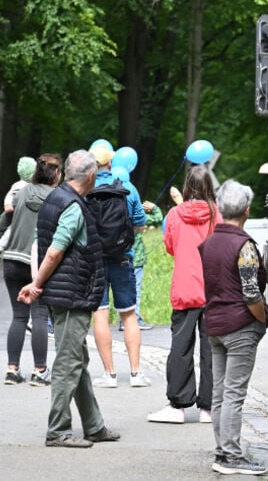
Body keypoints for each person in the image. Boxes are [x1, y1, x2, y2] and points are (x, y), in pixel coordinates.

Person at [18, 149, 120, 448]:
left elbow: (44, 244)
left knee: (77, 359)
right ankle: (58, 430)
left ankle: (94, 426)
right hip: (72, 293)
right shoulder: (73, 206)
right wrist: (36, 284)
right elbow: (55, 250)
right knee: (68, 361)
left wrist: (39, 283)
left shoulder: (54, 197)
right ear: (90, 176)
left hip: (63, 292)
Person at [199, 179, 268, 475]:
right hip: (240, 326)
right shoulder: (245, 246)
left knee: (219, 394)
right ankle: (230, 455)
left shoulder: (209, 243)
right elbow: (251, 292)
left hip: (213, 325)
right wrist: (263, 317)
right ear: (246, 211)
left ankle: (221, 450)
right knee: (234, 394)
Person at [148, 165, 220, 424]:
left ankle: (178, 404)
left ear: (188, 186)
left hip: (185, 287)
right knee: (211, 348)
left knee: (180, 346)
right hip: (212, 288)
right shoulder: (216, 215)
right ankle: (209, 408)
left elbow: (170, 246)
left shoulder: (176, 214)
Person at [89, 144, 149, 388]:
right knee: (129, 315)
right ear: (112, 163)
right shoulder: (127, 187)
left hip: (95, 260)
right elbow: (140, 223)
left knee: (100, 314)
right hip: (123, 257)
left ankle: (109, 375)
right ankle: (135, 374)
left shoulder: (85, 188)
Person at [3, 154, 61, 385]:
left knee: (18, 316)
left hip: (11, 259)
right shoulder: (57, 198)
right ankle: (39, 371)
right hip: (37, 264)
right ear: (56, 174)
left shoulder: (23, 192)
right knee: (39, 315)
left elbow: (7, 218)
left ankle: (12, 370)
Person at [126, 199, 163, 330]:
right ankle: (135, 319)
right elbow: (158, 218)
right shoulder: (138, 217)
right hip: (137, 259)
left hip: (121, 258)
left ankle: (123, 321)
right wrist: (154, 207)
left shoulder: (116, 216)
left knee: (124, 290)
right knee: (136, 290)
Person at [0, 156, 37, 250]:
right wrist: (10, 205)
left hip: (21, 218)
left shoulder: (23, 185)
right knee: (11, 232)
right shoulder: (21, 186)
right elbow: (10, 202)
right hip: (19, 218)